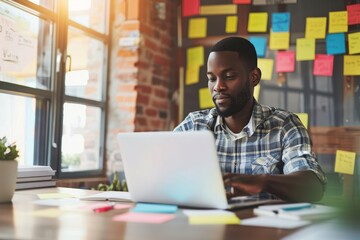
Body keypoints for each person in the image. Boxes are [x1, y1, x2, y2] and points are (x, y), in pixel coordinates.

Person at [174, 37, 326, 202]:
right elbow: (157, 174)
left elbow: (313, 187)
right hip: (206, 225)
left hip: (265, 226)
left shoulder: (284, 125)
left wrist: (264, 181)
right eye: (212, 79)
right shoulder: (194, 125)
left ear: (254, 77)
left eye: (229, 76)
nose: (218, 86)